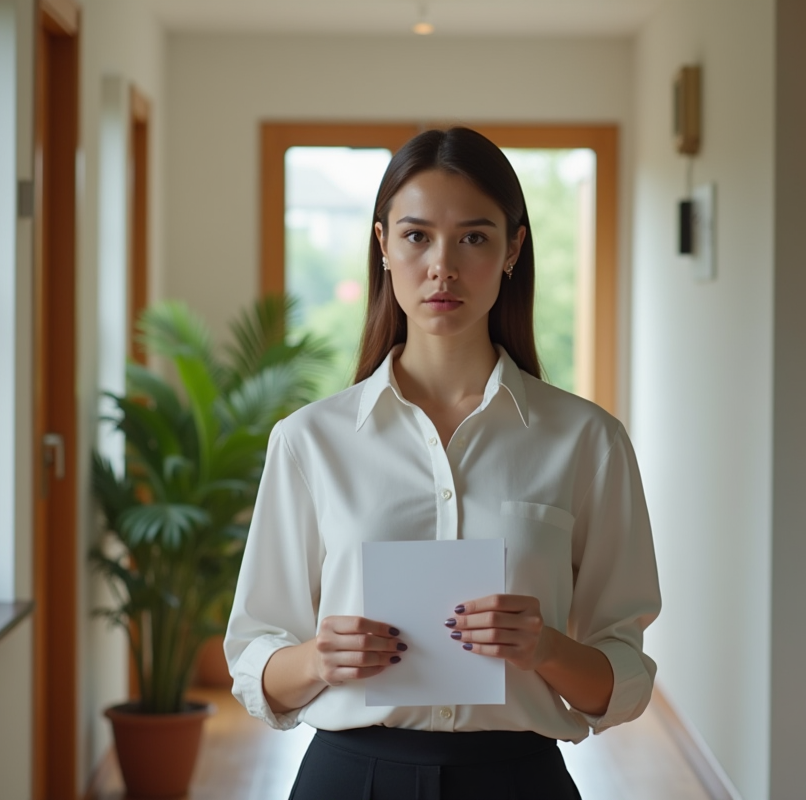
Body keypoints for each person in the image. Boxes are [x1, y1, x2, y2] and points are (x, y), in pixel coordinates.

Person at [224, 127, 661, 800]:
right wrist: (318, 658)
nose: (442, 267)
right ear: (383, 245)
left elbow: (624, 677)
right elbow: (254, 660)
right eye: (417, 236)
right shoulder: (309, 441)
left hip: (519, 781)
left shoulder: (586, 441)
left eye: (475, 238)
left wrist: (542, 646)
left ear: (514, 248)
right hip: (349, 778)